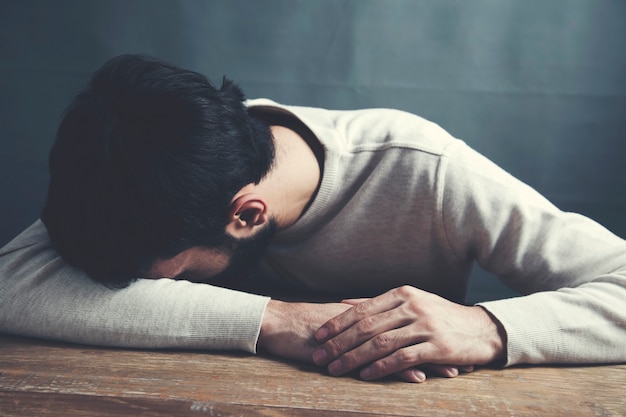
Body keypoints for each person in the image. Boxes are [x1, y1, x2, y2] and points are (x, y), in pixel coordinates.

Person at [1, 55, 624, 383]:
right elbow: (11, 283)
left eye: (152, 276)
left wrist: (487, 327)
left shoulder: (425, 168)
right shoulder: (145, 157)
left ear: (246, 216)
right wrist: (276, 321)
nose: (126, 282)